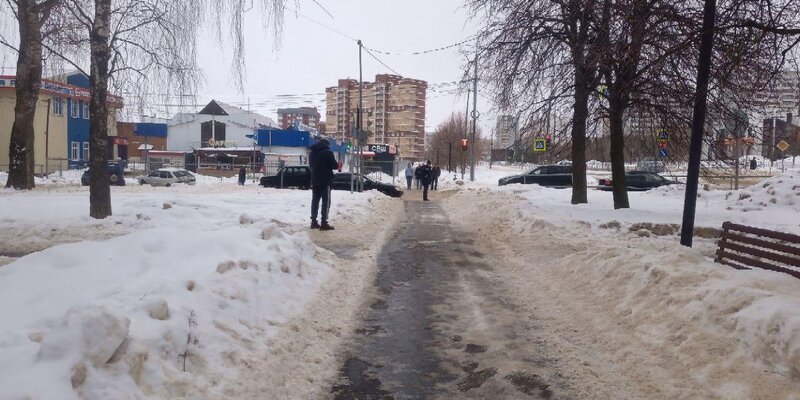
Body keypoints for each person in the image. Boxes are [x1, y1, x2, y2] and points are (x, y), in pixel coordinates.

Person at [309, 139, 340, 230]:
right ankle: (324, 223)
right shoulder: (328, 153)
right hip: (325, 181)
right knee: (326, 203)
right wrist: (338, 165)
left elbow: (311, 166)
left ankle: (313, 222)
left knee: (315, 202)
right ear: (326, 144)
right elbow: (334, 166)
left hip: (314, 181)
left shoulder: (311, 154)